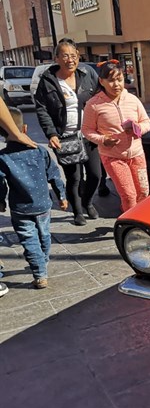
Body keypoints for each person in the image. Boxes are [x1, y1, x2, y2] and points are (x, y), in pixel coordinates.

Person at [34, 38, 101, 226]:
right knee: (74, 178)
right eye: (64, 55)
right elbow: (42, 109)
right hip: (65, 137)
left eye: (73, 55)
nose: (70, 59)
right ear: (56, 58)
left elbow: (101, 97)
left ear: (78, 56)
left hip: (89, 134)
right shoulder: (48, 81)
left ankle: (88, 202)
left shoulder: (88, 74)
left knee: (96, 175)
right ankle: (77, 211)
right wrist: (51, 134)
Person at [0, 107, 68, 289]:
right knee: (44, 235)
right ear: (25, 129)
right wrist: (61, 196)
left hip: (20, 209)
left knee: (29, 239)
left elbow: (0, 184)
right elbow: (54, 175)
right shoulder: (40, 151)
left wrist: (1, 202)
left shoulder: (3, 158)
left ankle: (39, 273)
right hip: (43, 205)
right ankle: (42, 262)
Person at [81, 60, 150, 213]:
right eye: (111, 80)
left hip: (137, 155)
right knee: (129, 196)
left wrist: (138, 129)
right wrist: (103, 139)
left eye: (119, 79)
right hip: (113, 157)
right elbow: (86, 130)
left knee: (143, 193)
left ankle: (139, 217)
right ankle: (132, 225)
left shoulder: (133, 99)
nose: (116, 84)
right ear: (102, 81)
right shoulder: (93, 104)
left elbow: (147, 122)